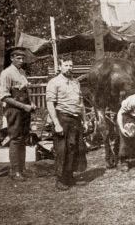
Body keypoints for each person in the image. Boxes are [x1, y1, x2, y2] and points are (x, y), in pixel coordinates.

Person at [46, 58, 88, 190]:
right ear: (60, 67)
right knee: (62, 149)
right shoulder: (54, 82)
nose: (69, 68)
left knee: (75, 148)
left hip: (75, 119)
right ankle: (60, 179)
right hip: (62, 118)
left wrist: (85, 120)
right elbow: (50, 104)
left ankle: (69, 176)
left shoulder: (75, 82)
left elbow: (80, 104)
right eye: (66, 65)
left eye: (71, 65)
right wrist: (56, 124)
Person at [0, 46, 36, 181]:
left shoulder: (22, 72)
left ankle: (22, 168)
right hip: (14, 110)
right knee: (15, 139)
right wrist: (23, 106)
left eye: (22, 58)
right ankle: (15, 171)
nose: (21, 60)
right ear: (12, 59)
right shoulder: (6, 73)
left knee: (24, 138)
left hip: (25, 109)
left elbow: (26, 92)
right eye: (18, 58)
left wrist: (31, 104)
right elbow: (4, 97)